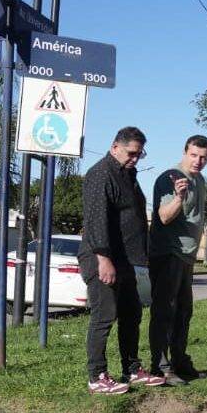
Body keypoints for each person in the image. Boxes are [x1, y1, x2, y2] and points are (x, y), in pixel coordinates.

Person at [79, 127, 162, 394]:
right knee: (104, 315)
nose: (135, 159)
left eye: (140, 154)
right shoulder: (101, 174)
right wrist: (104, 259)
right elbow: (96, 220)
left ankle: (132, 369)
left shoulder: (127, 174)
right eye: (131, 153)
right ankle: (97, 376)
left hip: (126, 260)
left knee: (131, 314)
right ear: (115, 147)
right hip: (104, 258)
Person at [148, 135, 207, 386]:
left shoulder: (200, 180)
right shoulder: (170, 177)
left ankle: (179, 362)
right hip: (167, 253)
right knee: (164, 312)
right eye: (194, 155)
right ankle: (160, 367)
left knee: (184, 312)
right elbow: (163, 217)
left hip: (186, 256)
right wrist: (178, 197)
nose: (198, 161)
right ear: (185, 151)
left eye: (204, 157)